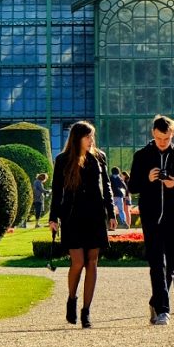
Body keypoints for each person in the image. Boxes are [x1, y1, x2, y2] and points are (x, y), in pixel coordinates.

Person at [128, 115, 174, 327]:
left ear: (172, 133)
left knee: (172, 262)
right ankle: (163, 310)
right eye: (158, 138)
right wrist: (148, 180)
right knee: (156, 262)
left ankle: (155, 301)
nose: (162, 142)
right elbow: (132, 187)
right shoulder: (142, 156)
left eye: (166, 138)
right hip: (150, 216)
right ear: (152, 134)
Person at [48, 121, 116, 329]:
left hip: (95, 215)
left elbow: (106, 186)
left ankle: (86, 311)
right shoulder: (62, 160)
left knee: (92, 262)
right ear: (77, 138)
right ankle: (71, 299)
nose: (91, 140)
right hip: (72, 216)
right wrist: (53, 218)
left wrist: (111, 213)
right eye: (88, 137)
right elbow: (57, 190)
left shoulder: (99, 157)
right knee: (77, 262)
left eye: (92, 137)